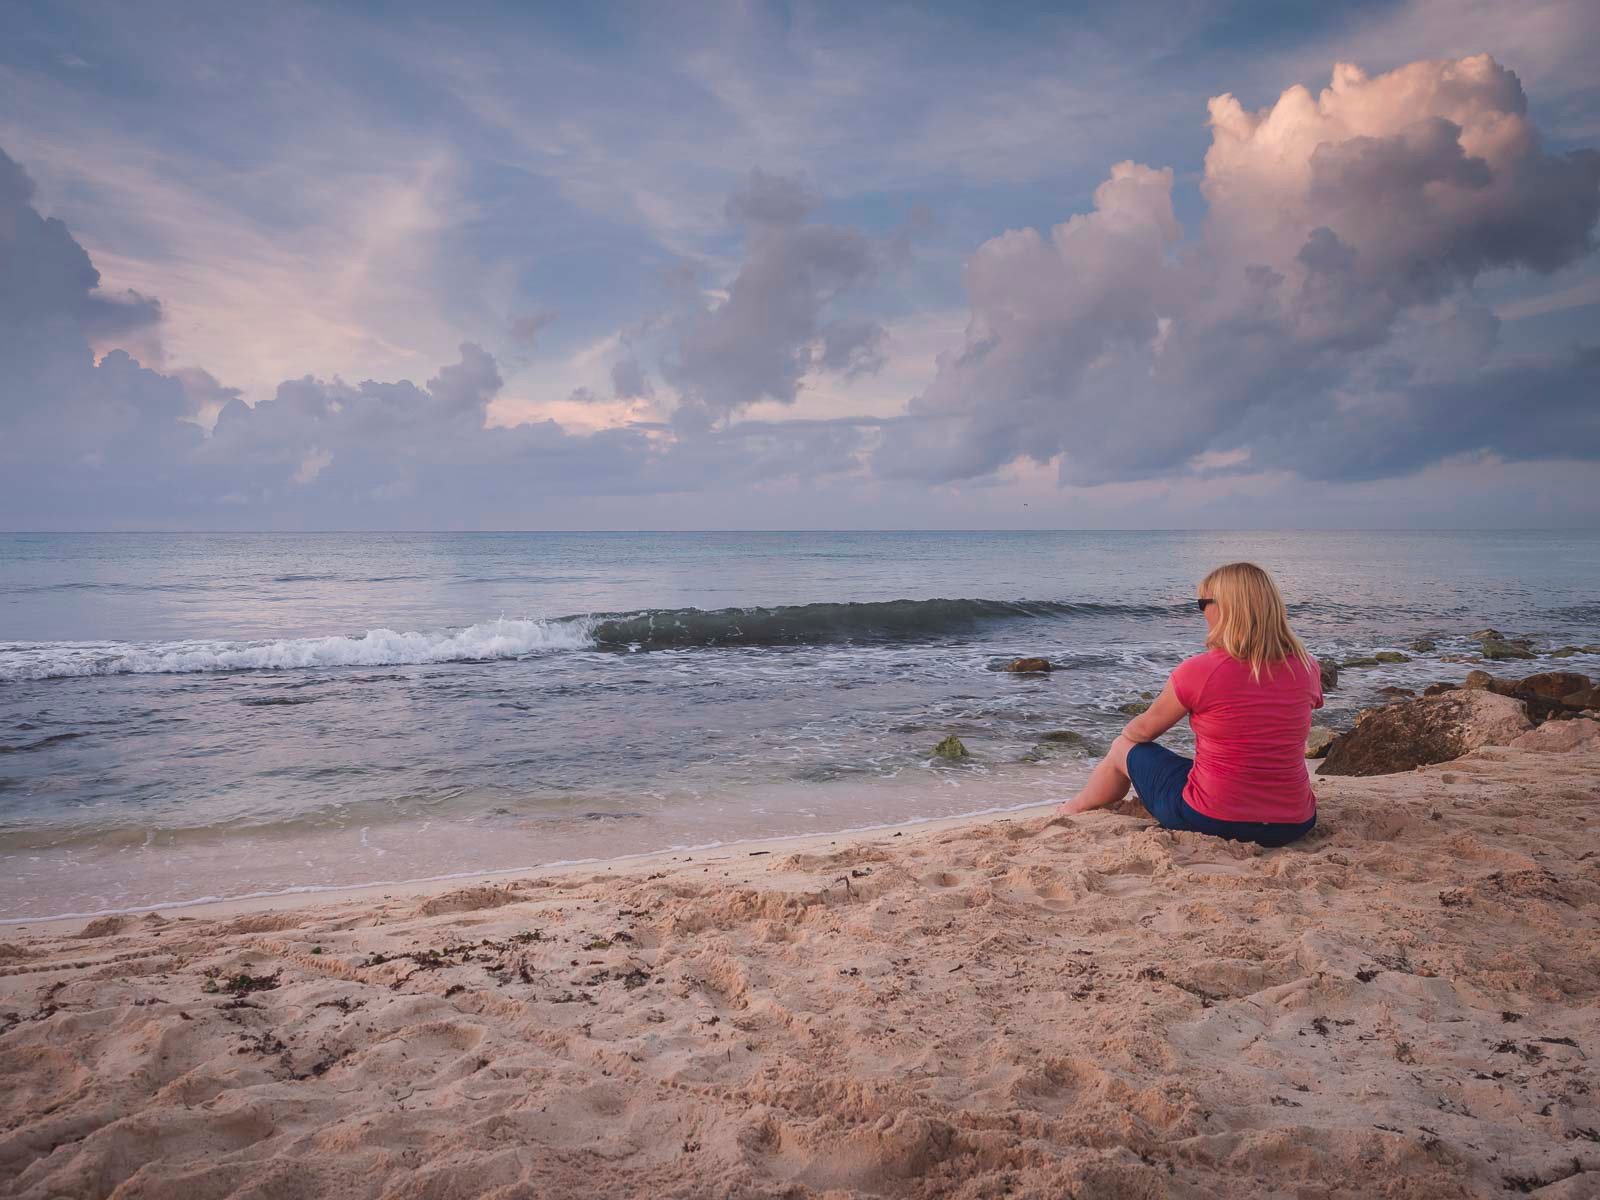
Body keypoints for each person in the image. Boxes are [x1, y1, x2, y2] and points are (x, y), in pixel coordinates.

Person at [1058, 561, 1320, 847]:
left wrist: (1124, 739)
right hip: (1294, 823)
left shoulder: (1201, 670)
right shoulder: (1307, 668)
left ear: (1225, 608)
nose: (1202, 613)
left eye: (1202, 604)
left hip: (1213, 819)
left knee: (1123, 746)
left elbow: (1143, 731)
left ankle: (1076, 807)